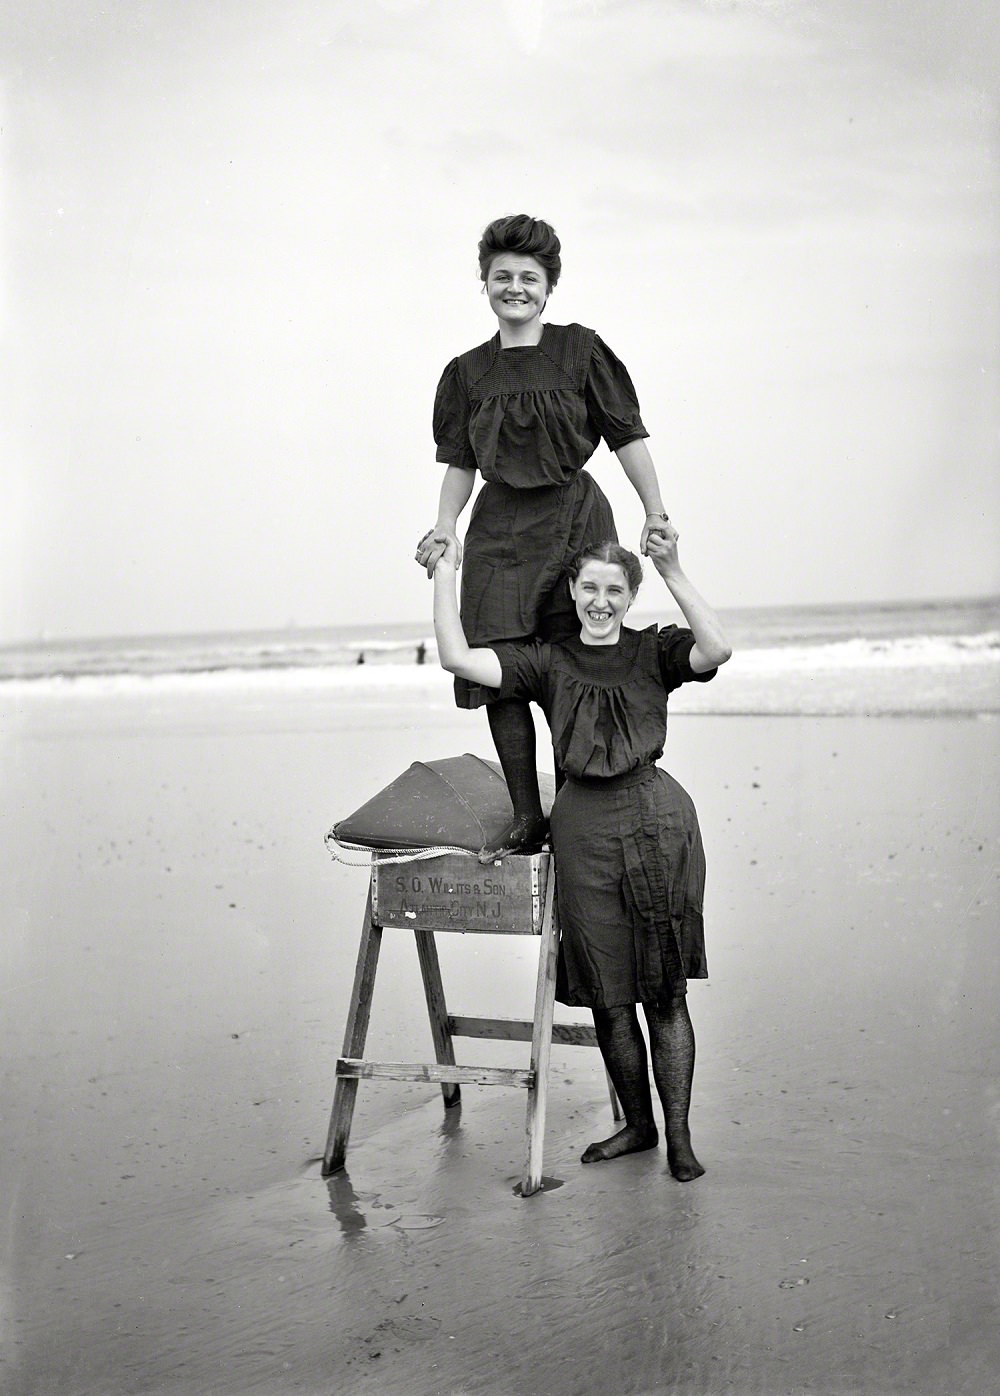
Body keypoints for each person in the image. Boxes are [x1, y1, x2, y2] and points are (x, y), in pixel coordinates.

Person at [432, 527, 732, 1180]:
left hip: (657, 820)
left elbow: (718, 647)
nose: (601, 601)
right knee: (607, 993)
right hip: (582, 831)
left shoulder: (656, 650)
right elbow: (458, 659)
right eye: (590, 587)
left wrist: (674, 570)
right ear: (572, 590)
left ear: (629, 597)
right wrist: (446, 571)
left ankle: (678, 1136)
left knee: (665, 990)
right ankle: (638, 1126)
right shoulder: (549, 660)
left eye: (614, 590)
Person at [415, 213, 672, 862]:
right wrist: (445, 527)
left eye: (529, 277)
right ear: (485, 283)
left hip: (575, 522)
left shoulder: (580, 350)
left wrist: (655, 511)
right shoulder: (467, 374)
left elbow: (628, 437)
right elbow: (460, 465)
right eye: (502, 276)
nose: (515, 287)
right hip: (499, 534)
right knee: (500, 674)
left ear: (548, 285)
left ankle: (577, 810)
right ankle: (528, 819)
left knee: (573, 666)